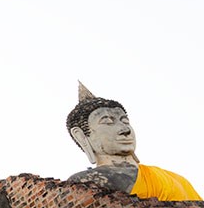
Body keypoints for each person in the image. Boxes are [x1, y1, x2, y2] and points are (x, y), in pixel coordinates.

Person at [66, 84, 200, 201]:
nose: (125, 130)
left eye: (125, 121)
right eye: (107, 122)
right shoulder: (86, 182)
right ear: (81, 136)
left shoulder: (175, 180)